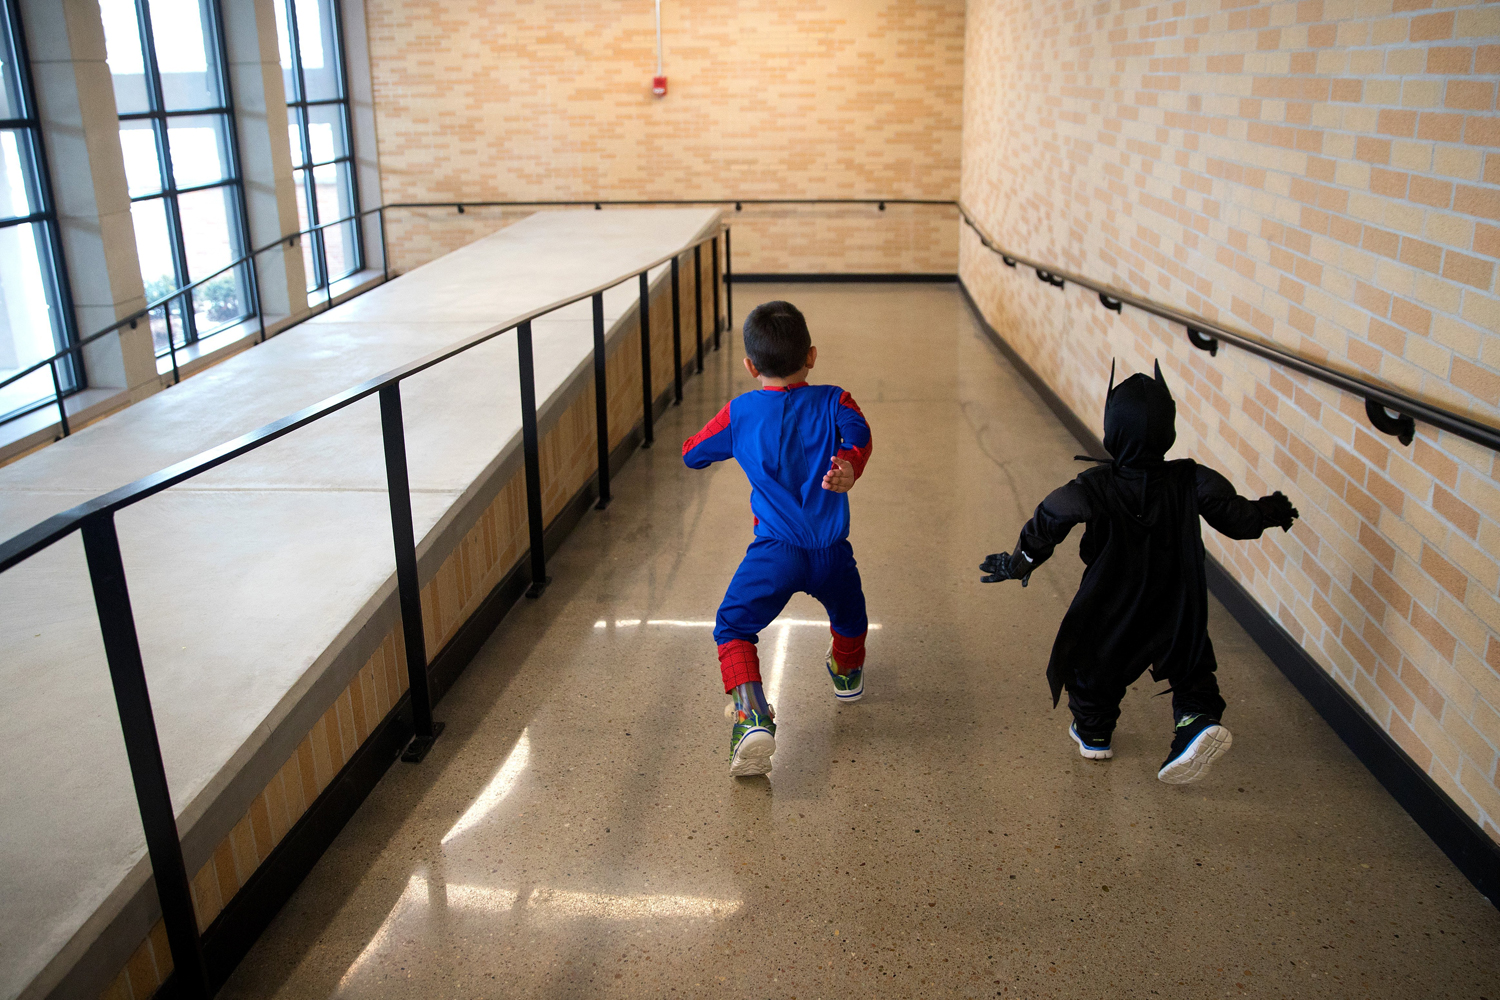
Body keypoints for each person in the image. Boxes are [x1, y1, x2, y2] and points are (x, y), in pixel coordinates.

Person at [980, 361, 1297, 784]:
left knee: (1095, 666)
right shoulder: (1192, 479)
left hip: (1114, 598)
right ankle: (1195, 723)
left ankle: (1094, 733)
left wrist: (1019, 562)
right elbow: (1237, 519)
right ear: (1168, 430)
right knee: (1190, 666)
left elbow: (1052, 516)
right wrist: (1270, 511)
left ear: (1113, 431)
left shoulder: (1093, 486)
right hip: (1177, 598)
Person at [682, 300, 873, 776]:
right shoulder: (836, 399)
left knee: (732, 626)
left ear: (750, 366)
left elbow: (692, 454)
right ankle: (847, 673)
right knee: (850, 616)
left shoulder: (740, 412)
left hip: (774, 554)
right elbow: (860, 432)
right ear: (811, 356)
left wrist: (734, 439)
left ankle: (751, 716)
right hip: (832, 553)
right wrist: (849, 463)